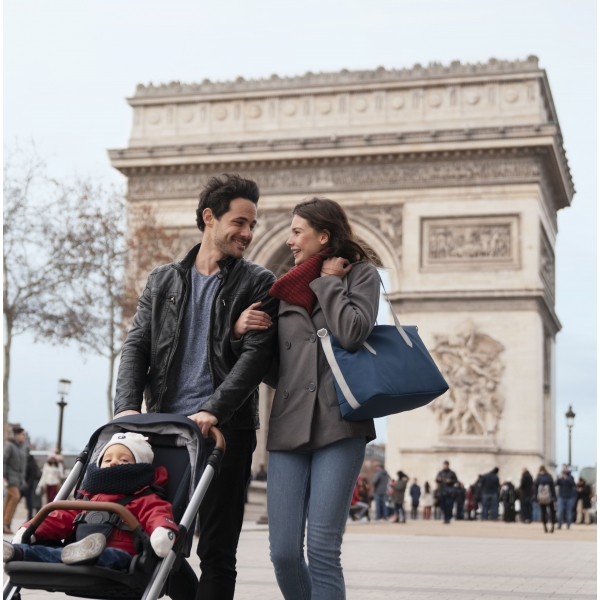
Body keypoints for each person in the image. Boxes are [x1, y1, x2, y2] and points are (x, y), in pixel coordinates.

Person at [113, 174, 279, 600]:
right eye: (239, 222)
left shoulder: (258, 282)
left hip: (228, 432)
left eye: (252, 226)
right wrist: (127, 407)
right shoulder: (161, 280)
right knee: (154, 541)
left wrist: (214, 409)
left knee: (218, 553)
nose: (247, 233)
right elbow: (136, 346)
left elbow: (256, 358)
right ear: (209, 217)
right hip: (165, 430)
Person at [241, 197, 379, 599]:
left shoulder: (360, 277)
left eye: (297, 232)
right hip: (288, 426)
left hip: (340, 423)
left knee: (321, 550)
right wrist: (239, 331)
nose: (289, 242)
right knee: (283, 553)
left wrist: (330, 282)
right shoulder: (282, 289)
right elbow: (275, 364)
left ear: (324, 235)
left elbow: (353, 333)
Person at [4, 433, 177, 570]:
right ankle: (19, 552)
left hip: (123, 557)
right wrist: (29, 530)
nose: (114, 462)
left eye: (124, 460)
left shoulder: (144, 498)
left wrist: (162, 533)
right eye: (107, 459)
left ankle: (82, 554)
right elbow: (59, 518)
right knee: (52, 553)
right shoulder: (88, 498)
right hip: (73, 553)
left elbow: (157, 514)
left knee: (115, 557)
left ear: (138, 466)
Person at [3, 427, 29, 535]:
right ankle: (6, 523)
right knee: (15, 497)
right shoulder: (9, 446)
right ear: (17, 435)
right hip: (9, 477)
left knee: (9, 499)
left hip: (18, 479)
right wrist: (3, 475)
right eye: (23, 434)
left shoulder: (22, 447)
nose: (24, 436)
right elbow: (3, 460)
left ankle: (3, 523)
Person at [534, 465, 556, 533]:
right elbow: (552, 488)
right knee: (552, 512)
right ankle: (552, 527)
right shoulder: (549, 477)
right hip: (549, 497)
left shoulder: (538, 478)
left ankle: (545, 527)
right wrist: (554, 498)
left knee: (543, 512)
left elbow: (535, 490)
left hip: (541, 497)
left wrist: (536, 499)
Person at [555, 464, 577, 530]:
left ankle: (568, 525)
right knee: (560, 511)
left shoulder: (571, 477)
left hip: (569, 497)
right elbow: (555, 484)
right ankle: (559, 524)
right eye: (563, 468)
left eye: (565, 468)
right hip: (561, 496)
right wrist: (559, 478)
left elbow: (573, 484)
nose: (564, 469)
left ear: (567, 468)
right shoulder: (560, 476)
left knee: (568, 512)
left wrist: (566, 478)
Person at [21, 453, 41, 520]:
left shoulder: (30, 464)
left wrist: (28, 484)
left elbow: (32, 475)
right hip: (30, 486)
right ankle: (30, 517)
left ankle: (30, 518)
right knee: (30, 504)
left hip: (30, 486)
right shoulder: (32, 464)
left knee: (31, 503)